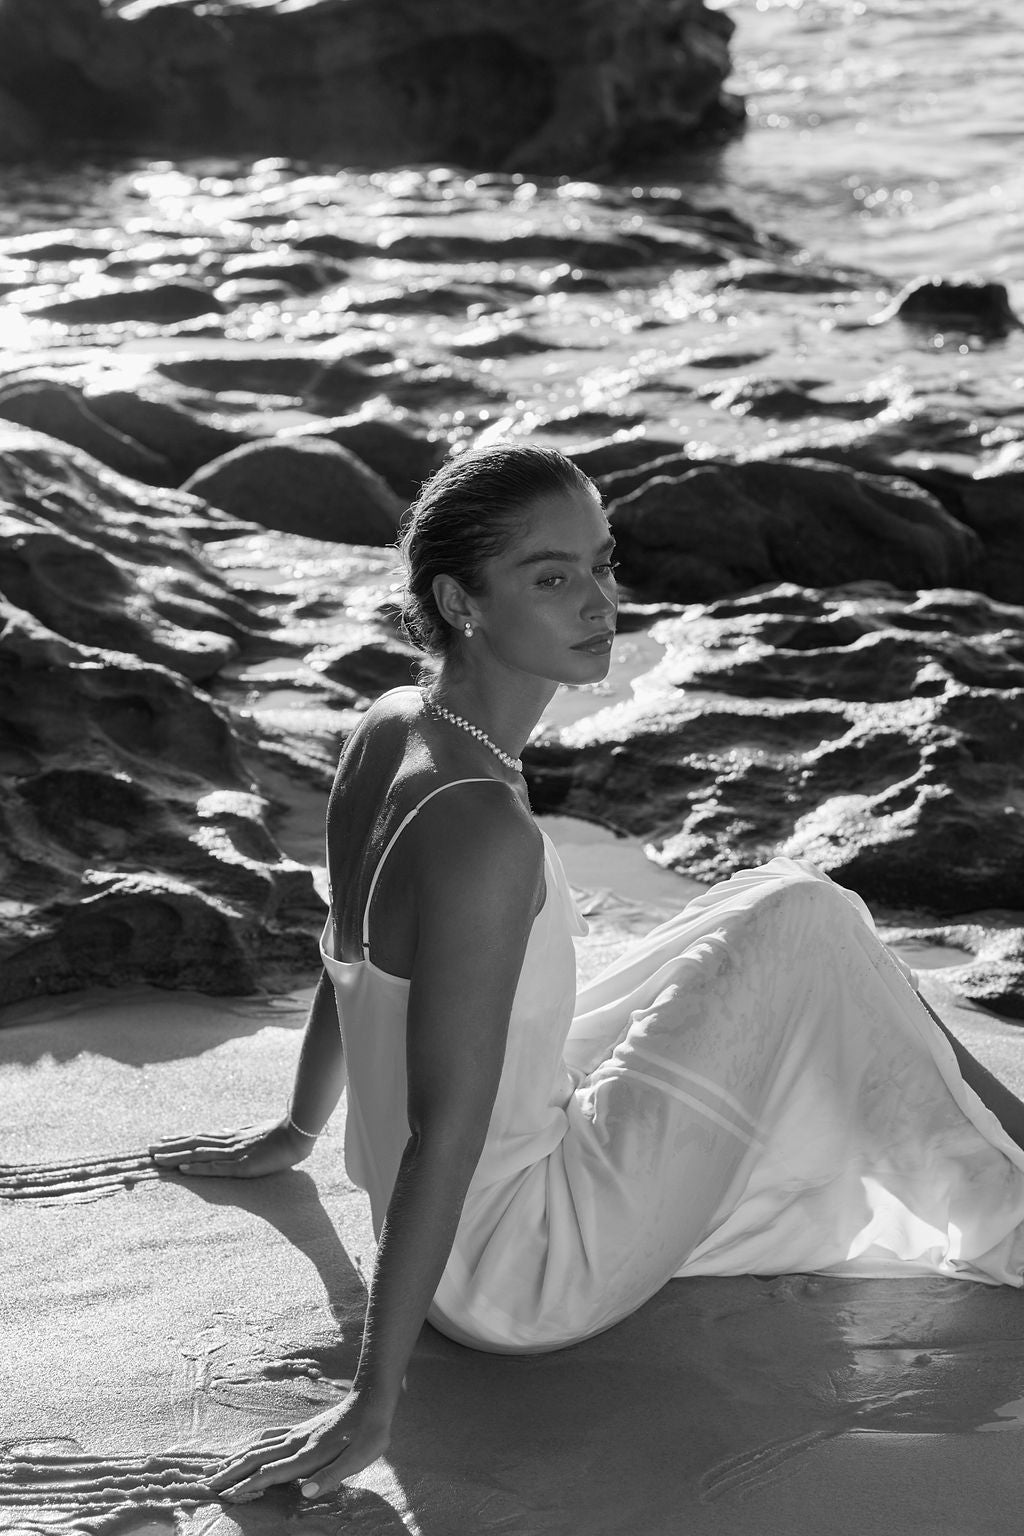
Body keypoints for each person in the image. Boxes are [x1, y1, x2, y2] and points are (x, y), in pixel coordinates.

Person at [151, 442, 1024, 1503]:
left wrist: (294, 1134)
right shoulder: (482, 831)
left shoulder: (390, 726)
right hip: (526, 1266)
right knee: (808, 920)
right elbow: (447, 1126)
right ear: (458, 602)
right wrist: (376, 1400)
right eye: (550, 576)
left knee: (783, 903)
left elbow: (349, 958)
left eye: (601, 564)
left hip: (447, 1218)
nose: (600, 602)